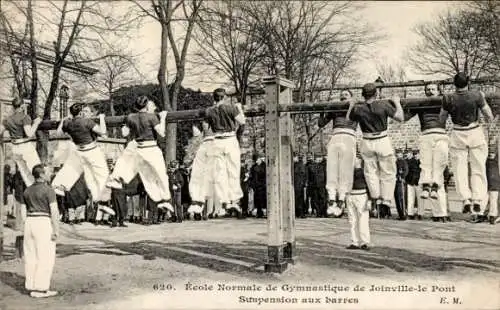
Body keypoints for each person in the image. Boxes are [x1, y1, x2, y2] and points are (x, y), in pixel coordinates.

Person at [439, 72, 494, 214]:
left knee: (459, 169)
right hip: (474, 131)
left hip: (458, 132)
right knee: (478, 167)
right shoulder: (477, 95)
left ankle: (466, 199)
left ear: (454, 83)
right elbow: (488, 114)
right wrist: (489, 123)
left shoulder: (448, 98)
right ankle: (478, 199)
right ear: (468, 82)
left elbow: (442, 119)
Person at [347, 83, 404, 215]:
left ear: (363, 95)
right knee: (388, 170)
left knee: (370, 171)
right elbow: (400, 118)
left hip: (367, 141)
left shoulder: (358, 108)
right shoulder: (383, 105)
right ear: (376, 94)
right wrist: (397, 103)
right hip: (382, 139)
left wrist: (351, 105)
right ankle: (387, 199)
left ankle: (376, 196)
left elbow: (348, 119)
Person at [107, 96, 173, 213]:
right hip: (151, 148)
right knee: (160, 174)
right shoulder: (151, 117)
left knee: (145, 175)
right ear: (146, 105)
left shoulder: (131, 117)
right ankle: (165, 199)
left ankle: (117, 178)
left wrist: (126, 124)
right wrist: (162, 118)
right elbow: (162, 133)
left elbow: (124, 133)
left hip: (139, 149)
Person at [51, 104, 113, 218]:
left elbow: (58, 133)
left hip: (79, 150)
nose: (84, 113)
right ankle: (103, 200)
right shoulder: (87, 122)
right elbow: (103, 132)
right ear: (80, 113)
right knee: (102, 174)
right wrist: (102, 119)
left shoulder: (68, 123)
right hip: (91, 150)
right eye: (83, 111)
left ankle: (60, 186)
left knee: (71, 169)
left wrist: (63, 121)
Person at [204, 88, 245, 215]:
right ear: (224, 97)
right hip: (230, 139)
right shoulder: (231, 108)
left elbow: (206, 128)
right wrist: (239, 109)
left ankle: (225, 200)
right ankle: (234, 200)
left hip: (217, 140)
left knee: (220, 172)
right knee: (233, 169)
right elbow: (242, 121)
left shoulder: (209, 111)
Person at [318, 89, 358, 214]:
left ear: (351, 97)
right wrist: (321, 110)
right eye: (341, 96)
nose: (343, 97)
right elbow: (321, 124)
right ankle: (331, 198)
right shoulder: (335, 108)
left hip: (349, 136)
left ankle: (341, 199)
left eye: (346, 95)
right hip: (336, 136)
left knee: (345, 169)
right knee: (332, 167)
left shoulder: (356, 108)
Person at [23, 164, 59, 298]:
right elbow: (54, 211)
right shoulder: (48, 190)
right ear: (42, 175)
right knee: (45, 256)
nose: (50, 174)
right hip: (43, 222)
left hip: (29, 221)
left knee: (30, 255)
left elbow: (23, 209)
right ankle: (41, 288)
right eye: (48, 172)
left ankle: (31, 285)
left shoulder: (27, 190)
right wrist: (56, 229)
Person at [0, 98, 42, 187]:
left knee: (25, 174)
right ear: (22, 106)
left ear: (13, 106)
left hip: (15, 148)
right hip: (25, 146)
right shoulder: (24, 117)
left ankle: (31, 193)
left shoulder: (7, 119)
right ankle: (41, 193)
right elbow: (29, 133)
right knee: (37, 170)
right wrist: (36, 123)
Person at [346, 155, 370, 250]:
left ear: (360, 160)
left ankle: (365, 242)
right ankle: (354, 242)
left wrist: (370, 200)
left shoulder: (365, 172)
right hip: (350, 195)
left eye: (356, 159)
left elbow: (370, 185)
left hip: (362, 195)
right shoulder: (348, 171)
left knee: (363, 219)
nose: (354, 161)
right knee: (352, 220)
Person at [406, 150, 421, 219]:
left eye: (417, 154)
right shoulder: (410, 162)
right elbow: (407, 172)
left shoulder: (423, 162)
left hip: (419, 182)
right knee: (410, 198)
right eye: (414, 154)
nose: (416, 156)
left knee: (420, 199)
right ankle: (410, 213)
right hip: (410, 182)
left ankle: (420, 213)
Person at [486, 146, 499, 224]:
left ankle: (492, 215)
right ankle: (492, 215)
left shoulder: (489, 162)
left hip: (493, 182)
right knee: (493, 197)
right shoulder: (492, 162)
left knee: (493, 197)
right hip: (493, 182)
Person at [394, 149, 408, 220]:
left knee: (401, 198)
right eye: (397, 154)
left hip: (400, 182)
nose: (398, 155)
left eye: (399, 154)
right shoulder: (395, 162)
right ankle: (400, 214)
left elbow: (406, 171)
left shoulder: (403, 162)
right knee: (397, 198)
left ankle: (403, 214)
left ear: (401, 154)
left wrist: (401, 176)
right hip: (395, 182)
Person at [293, 154, 307, 218]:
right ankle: (300, 213)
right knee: (299, 199)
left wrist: (302, 183)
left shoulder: (299, 165)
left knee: (298, 199)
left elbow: (302, 175)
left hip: (298, 184)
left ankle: (300, 213)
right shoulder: (298, 165)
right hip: (298, 184)